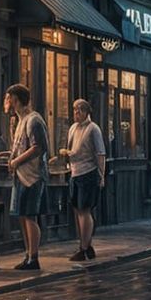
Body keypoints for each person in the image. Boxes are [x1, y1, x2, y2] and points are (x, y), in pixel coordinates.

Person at [0, 84, 48, 270]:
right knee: (22, 215)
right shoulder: (20, 120)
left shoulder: (33, 120)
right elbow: (21, 146)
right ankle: (28, 254)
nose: (7, 103)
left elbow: (38, 147)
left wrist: (16, 161)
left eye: (9, 99)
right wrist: (9, 157)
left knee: (30, 215)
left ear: (16, 100)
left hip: (32, 175)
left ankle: (34, 257)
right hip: (21, 174)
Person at [60, 99, 106, 262]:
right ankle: (87, 244)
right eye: (74, 110)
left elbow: (100, 153)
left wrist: (101, 175)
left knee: (84, 210)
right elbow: (72, 148)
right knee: (77, 210)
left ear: (86, 112)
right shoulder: (73, 128)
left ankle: (83, 248)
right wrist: (67, 156)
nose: (76, 113)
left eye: (79, 110)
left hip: (88, 172)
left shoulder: (93, 129)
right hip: (74, 172)